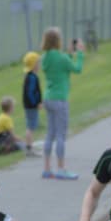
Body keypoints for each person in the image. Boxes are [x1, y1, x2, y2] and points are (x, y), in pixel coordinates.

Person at [40, 27, 83, 180]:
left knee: (50, 133)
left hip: (48, 97)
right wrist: (80, 53)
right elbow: (77, 69)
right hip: (60, 99)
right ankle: (61, 168)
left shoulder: (45, 58)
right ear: (58, 41)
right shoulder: (61, 57)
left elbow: (63, 64)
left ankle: (46, 168)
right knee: (60, 135)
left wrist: (70, 54)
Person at [21, 52, 42, 154]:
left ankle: (30, 145)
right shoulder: (32, 77)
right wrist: (36, 103)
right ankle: (29, 148)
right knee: (31, 127)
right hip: (31, 106)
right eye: (38, 63)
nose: (39, 65)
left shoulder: (29, 76)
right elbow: (31, 93)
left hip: (28, 106)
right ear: (34, 64)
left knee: (31, 126)